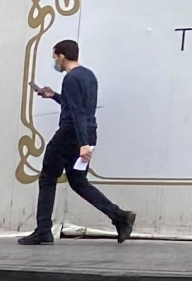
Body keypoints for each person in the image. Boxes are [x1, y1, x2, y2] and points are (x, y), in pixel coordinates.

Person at [22, 39, 134, 246]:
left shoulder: (70, 79)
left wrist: (81, 143)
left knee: (47, 178)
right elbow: (77, 105)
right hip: (89, 132)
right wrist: (53, 95)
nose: (55, 62)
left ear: (62, 56)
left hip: (70, 134)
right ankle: (120, 217)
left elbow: (76, 112)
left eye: (55, 57)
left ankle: (43, 230)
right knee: (78, 181)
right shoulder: (88, 75)